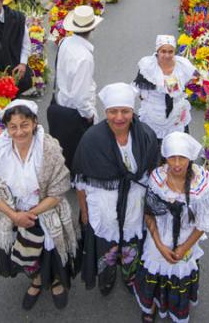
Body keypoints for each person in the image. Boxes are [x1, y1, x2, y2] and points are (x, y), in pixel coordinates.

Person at [0, 100, 78, 310]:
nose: (19, 132)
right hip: (14, 213)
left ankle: (56, 282)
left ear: (35, 123)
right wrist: (15, 217)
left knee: (49, 251)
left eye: (24, 125)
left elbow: (58, 190)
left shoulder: (49, 148)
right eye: (12, 126)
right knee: (27, 253)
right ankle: (37, 281)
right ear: (6, 128)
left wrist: (29, 215)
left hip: (44, 210)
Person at [73, 83, 161, 296]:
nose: (119, 117)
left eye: (125, 111)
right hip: (103, 206)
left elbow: (154, 172)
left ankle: (130, 275)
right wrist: (84, 211)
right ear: (106, 112)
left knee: (132, 241)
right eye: (113, 111)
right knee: (107, 245)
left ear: (132, 112)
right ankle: (107, 276)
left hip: (134, 203)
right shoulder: (91, 139)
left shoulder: (146, 135)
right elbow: (81, 180)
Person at [133, 132, 209, 323]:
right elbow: (149, 214)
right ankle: (151, 306)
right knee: (154, 271)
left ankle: (173, 308)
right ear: (165, 157)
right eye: (172, 157)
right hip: (158, 239)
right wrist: (160, 246)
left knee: (179, 275)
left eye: (182, 158)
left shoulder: (201, 185)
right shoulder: (157, 179)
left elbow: (203, 223)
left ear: (190, 158)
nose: (177, 164)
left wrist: (183, 248)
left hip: (186, 240)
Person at [47, 5, 103, 172]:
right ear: (92, 27)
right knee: (79, 149)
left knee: (65, 147)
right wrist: (89, 115)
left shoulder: (65, 42)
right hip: (74, 111)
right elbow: (80, 95)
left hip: (60, 103)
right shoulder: (84, 57)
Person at [133, 35, 198, 141]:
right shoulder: (147, 67)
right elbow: (139, 89)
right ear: (157, 51)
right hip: (153, 114)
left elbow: (196, 78)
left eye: (170, 51)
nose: (167, 55)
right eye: (163, 51)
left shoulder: (183, 65)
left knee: (177, 145)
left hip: (176, 115)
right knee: (153, 145)